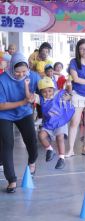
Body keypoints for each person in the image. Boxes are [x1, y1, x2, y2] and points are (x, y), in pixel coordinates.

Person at [0, 52, 40, 193]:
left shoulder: (33, 76)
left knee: (31, 141)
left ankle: (32, 161)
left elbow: (42, 91)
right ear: (12, 68)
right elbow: (1, 105)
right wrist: (23, 102)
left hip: (24, 113)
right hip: (5, 114)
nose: (21, 74)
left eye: (24, 71)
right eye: (18, 72)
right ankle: (11, 180)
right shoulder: (3, 80)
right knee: (7, 143)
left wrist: (37, 96)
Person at [36, 77, 74, 169]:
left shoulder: (59, 94)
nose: (47, 93)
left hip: (60, 122)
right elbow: (31, 97)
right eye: (44, 92)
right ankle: (49, 149)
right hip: (48, 123)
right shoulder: (40, 99)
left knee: (60, 138)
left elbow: (69, 93)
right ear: (41, 92)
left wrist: (69, 86)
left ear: (53, 89)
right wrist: (26, 85)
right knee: (41, 136)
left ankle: (61, 158)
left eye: (49, 91)